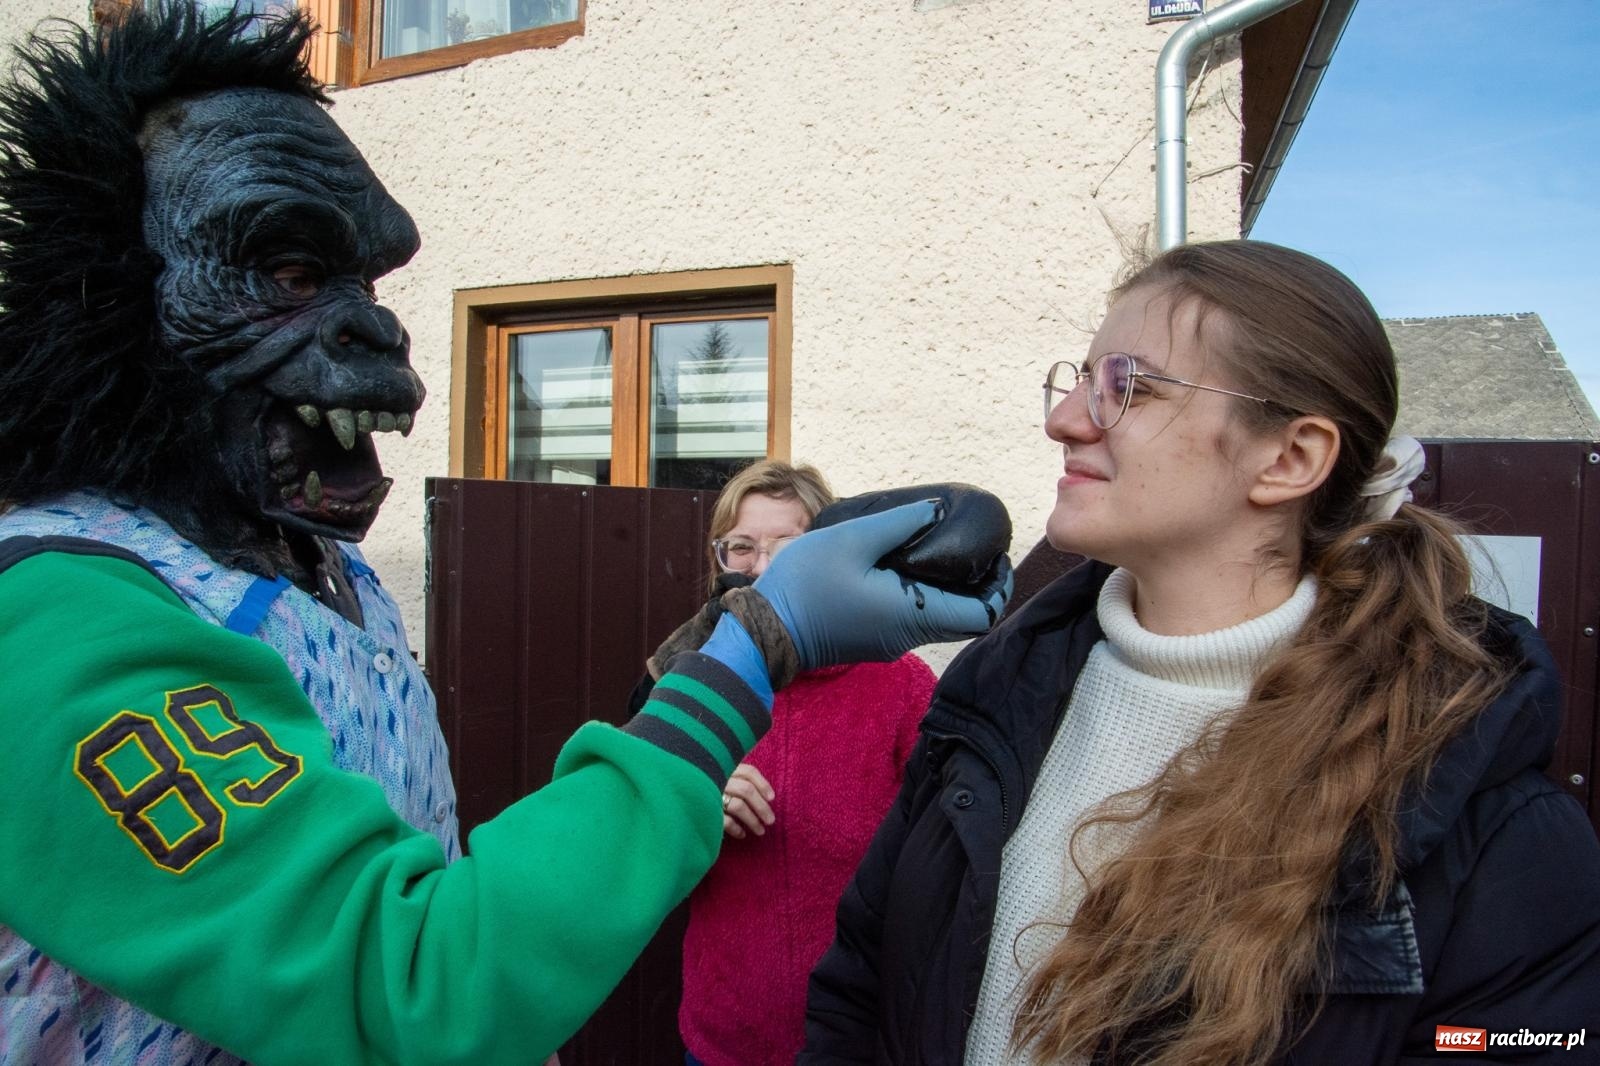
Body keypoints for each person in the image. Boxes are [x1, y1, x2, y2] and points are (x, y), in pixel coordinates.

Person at [0, 7, 1010, 1065]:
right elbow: (414, 990)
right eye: (294, 274)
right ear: (114, 300)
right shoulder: (55, 617)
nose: (377, 325)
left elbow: (437, 890)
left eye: (366, 283)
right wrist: (758, 637)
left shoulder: (328, 572)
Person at [801, 240, 1600, 1065]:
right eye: (1079, 377)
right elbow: (859, 992)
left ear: (1290, 459)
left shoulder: (1489, 823)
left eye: (1129, 387)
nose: (1064, 419)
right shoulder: (991, 700)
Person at [657, 461, 937, 1066]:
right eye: (741, 547)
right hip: (721, 1034)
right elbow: (636, 852)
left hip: (856, 1042)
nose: (759, 568)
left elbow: (937, 856)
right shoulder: (696, 684)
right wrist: (694, 792)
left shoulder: (901, 684)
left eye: (787, 548)